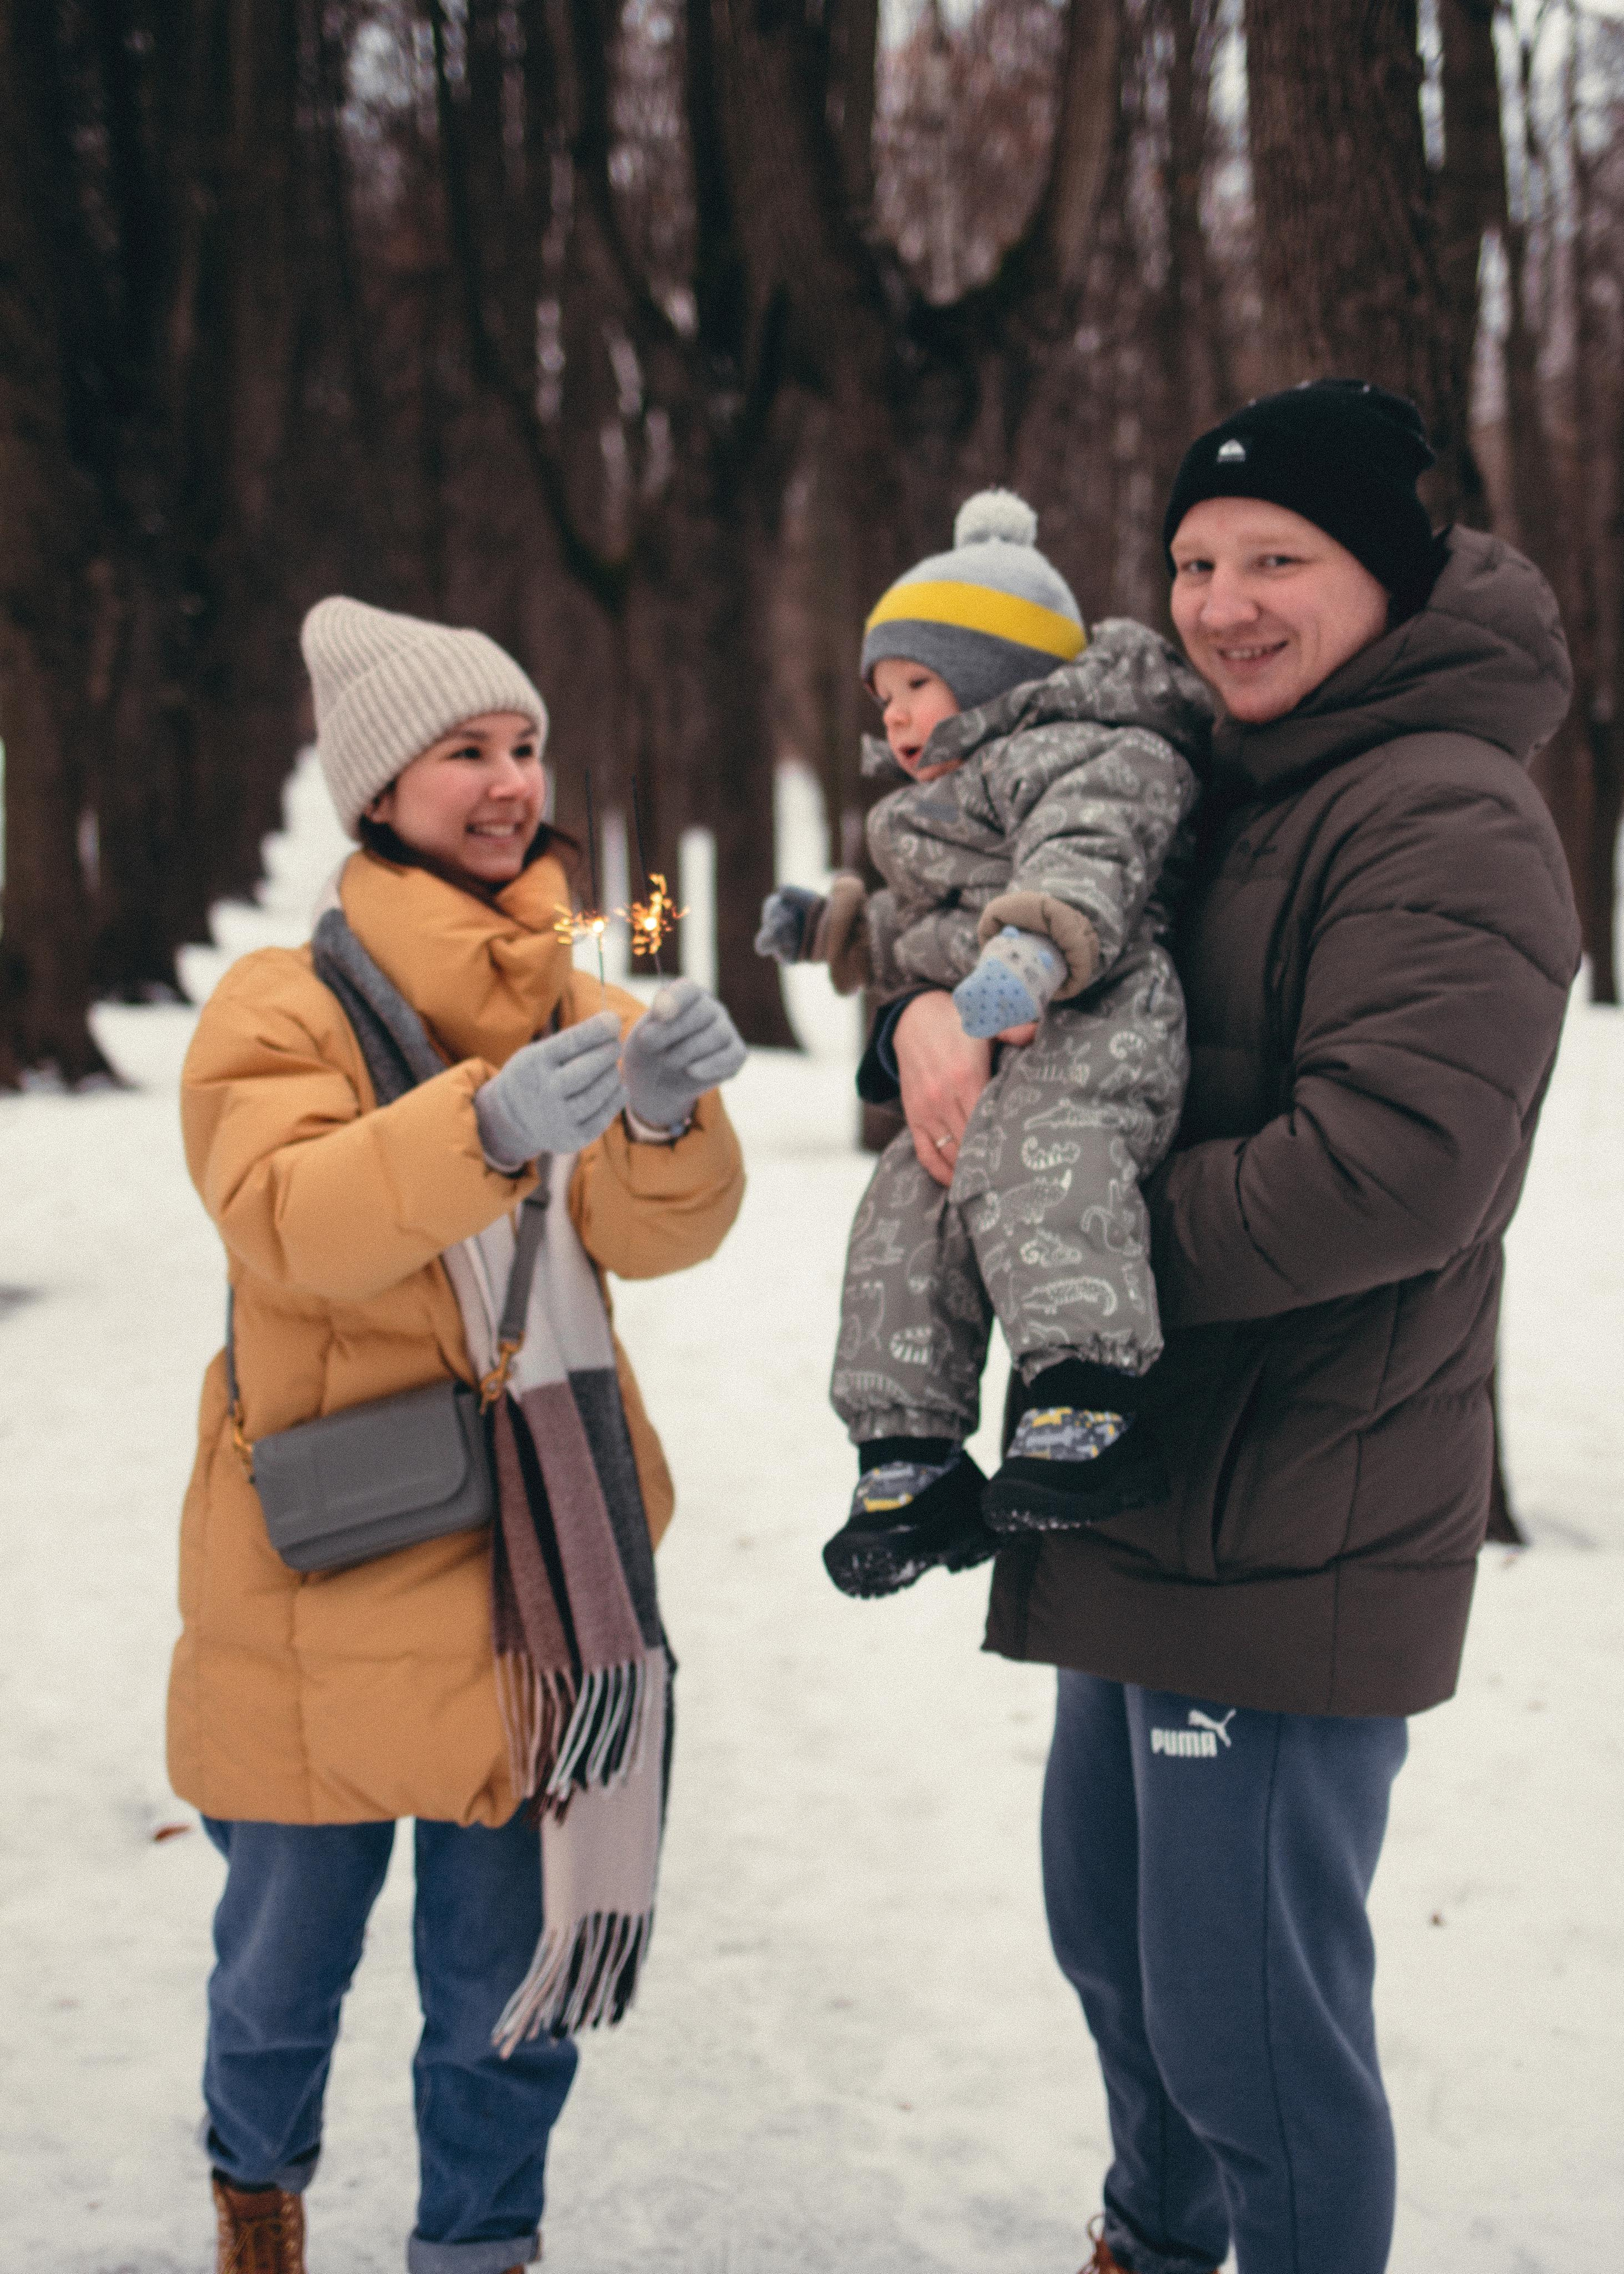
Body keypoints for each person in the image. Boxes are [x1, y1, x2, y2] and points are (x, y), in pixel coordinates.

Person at [872, 383, 1580, 2274]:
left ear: (1392, 577)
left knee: (1246, 2023)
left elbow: (1399, 1166)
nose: (1225, 601)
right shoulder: (1211, 783)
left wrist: (1067, 1233)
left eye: (1282, 560)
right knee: (1117, 1956)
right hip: (1145, 1479)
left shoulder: (1442, 811)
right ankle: (1151, 2244)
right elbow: (1059, 1031)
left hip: (1300, 1510)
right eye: (1194, 560)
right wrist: (923, 1030)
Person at [169, 596, 747, 2274]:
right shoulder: (278, 1007)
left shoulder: (577, 1000)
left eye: (522, 747)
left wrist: (665, 1113)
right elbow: (288, 1222)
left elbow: (660, 1236)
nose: (508, 783)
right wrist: (482, 1127)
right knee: (282, 1971)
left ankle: (478, 2250)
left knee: (506, 1996)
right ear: (378, 789)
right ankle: (256, 2193)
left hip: (537, 1591)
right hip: (331, 1574)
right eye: (464, 753)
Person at [757, 490, 1210, 1597]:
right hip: (989, 1035)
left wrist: (1038, 949)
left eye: (919, 684)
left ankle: (1087, 1396)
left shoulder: (1094, 753)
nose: (898, 718)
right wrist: (834, 926)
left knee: (1041, 1160)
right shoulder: (936, 804)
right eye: (885, 695)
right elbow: (918, 921)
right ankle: (907, 1454)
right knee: (904, 1212)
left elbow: (1088, 857)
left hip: (1096, 1016)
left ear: (1001, 671)